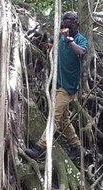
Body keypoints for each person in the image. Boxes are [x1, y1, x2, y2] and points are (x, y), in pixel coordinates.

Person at [27, 11, 88, 160]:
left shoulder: (80, 39)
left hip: (68, 87)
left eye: (69, 23)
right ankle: (77, 147)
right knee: (63, 119)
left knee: (54, 117)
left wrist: (69, 40)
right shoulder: (61, 39)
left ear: (76, 24)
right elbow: (57, 47)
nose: (66, 26)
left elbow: (81, 52)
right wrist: (50, 46)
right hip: (58, 84)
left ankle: (39, 148)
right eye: (64, 23)